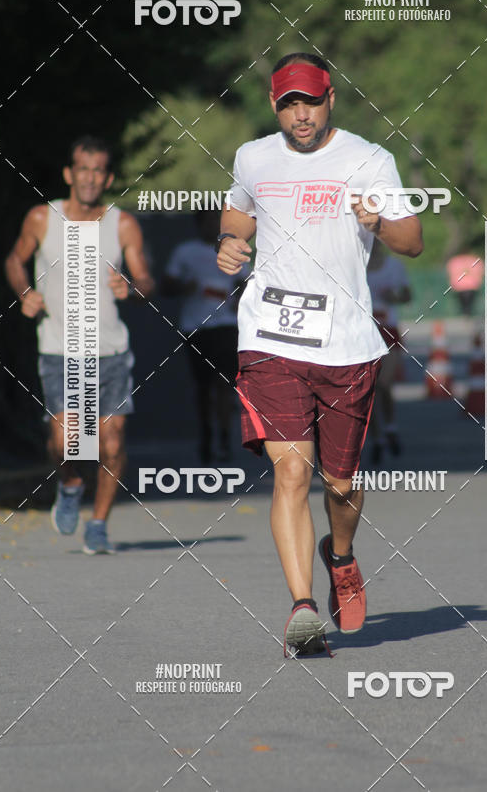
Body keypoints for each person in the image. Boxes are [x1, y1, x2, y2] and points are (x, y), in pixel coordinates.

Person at [216, 52, 423, 655]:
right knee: (290, 472)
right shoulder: (254, 156)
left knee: (340, 483)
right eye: (288, 104)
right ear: (275, 105)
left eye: (309, 102)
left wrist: (378, 221)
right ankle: (303, 609)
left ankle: (342, 556)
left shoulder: (369, 159)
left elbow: (412, 242)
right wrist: (231, 241)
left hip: (345, 342)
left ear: (331, 97)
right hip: (269, 335)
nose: (300, 115)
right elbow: (239, 210)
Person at [5, 135, 154, 553]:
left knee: (112, 441)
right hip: (60, 349)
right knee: (67, 441)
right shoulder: (42, 218)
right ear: (71, 174)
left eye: (98, 170)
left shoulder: (121, 223)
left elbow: (145, 279)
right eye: (83, 169)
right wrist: (24, 293)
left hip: (110, 352)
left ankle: (99, 524)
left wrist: (133, 286)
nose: (90, 178)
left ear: (107, 177)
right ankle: (70, 484)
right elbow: (15, 259)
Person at [161, 214, 242, 462]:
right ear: (198, 224)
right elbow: (167, 286)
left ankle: (225, 439)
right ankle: (206, 437)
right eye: (206, 221)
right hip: (195, 328)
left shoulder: (234, 249)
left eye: (215, 222)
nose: (211, 226)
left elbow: (245, 282)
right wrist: (184, 286)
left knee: (224, 385)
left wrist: (240, 298)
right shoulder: (185, 252)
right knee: (204, 388)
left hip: (227, 326)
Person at [367, 245, 412, 460]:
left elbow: (407, 295)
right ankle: (377, 439)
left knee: (385, 383)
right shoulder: (356, 262)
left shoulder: (394, 266)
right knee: (371, 388)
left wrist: (394, 296)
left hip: (389, 330)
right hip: (364, 331)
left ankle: (391, 427)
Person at [445, 251, 484, 317]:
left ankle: (466, 313)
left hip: (467, 286)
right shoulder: (472, 260)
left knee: (467, 301)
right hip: (465, 286)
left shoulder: (455, 261)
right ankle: (467, 313)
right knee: (466, 301)